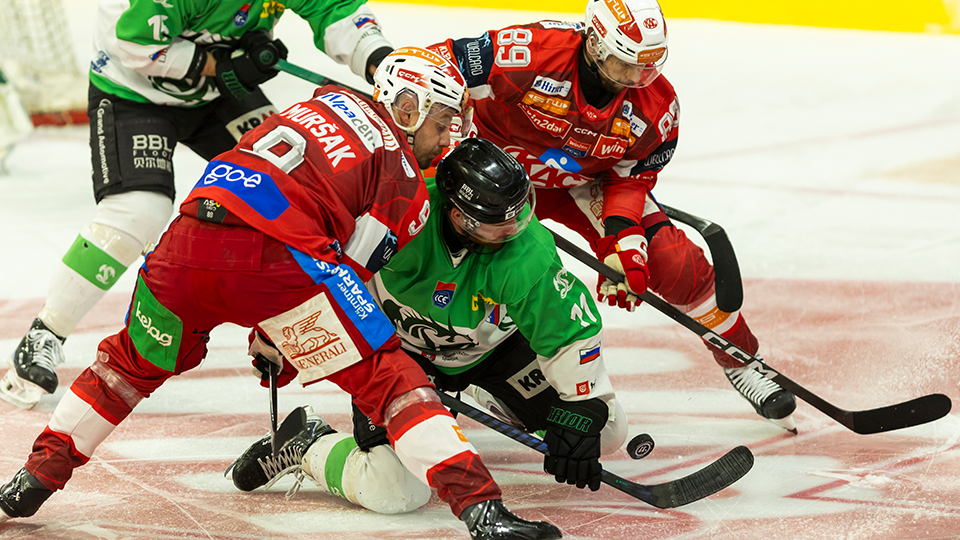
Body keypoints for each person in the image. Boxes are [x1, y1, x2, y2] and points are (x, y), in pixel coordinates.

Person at [0, 48, 561, 540]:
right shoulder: (405, 182)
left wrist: (275, 330)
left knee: (125, 366)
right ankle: (482, 508)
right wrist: (285, 342)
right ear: (408, 108)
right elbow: (348, 275)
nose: (450, 138)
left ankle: (33, 478)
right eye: (442, 122)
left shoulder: (320, 102)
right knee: (390, 378)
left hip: (186, 243)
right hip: (279, 260)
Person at [0, 0, 398, 409]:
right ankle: (45, 332)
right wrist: (217, 62)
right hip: (133, 89)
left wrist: (383, 63)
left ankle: (294, 328)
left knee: (296, 186)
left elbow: (331, 8)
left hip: (221, 90)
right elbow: (132, 41)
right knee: (137, 212)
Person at [425, 0, 797, 430]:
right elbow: (438, 65)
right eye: (626, 64)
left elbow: (629, 180)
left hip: (584, 183)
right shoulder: (528, 51)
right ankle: (456, 360)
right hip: (491, 176)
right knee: (446, 248)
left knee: (673, 262)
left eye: (649, 66)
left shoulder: (657, 107)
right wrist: (449, 135)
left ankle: (743, 361)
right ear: (595, 45)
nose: (638, 78)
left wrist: (626, 247)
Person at [224, 138, 627, 521]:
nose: (516, 228)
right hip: (398, 356)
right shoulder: (397, 212)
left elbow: (568, 328)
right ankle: (309, 443)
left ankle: (480, 393)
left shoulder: (525, 251)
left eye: (519, 213)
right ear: (459, 216)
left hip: (493, 351)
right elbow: (319, 264)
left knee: (607, 429)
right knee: (394, 489)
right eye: (500, 223)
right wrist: (280, 334)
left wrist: (582, 403)